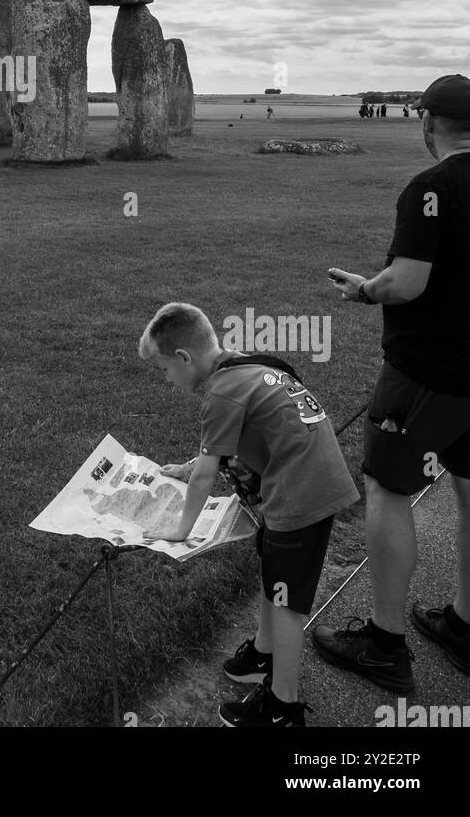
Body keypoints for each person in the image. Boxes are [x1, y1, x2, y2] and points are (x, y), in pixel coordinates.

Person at [138, 302, 359, 727]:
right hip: (313, 480)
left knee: (287, 600)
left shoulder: (220, 392)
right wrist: (186, 468)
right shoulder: (242, 367)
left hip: (300, 496)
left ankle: (283, 706)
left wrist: (181, 529)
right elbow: (221, 449)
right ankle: (263, 651)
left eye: (165, 370)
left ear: (184, 358)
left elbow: (206, 476)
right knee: (274, 574)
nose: (166, 379)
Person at [321, 74, 470, 693]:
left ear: (428, 124)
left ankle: (383, 645)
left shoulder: (430, 187)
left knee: (386, 486)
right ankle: (466, 627)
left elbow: (406, 282)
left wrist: (366, 288)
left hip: (427, 375)